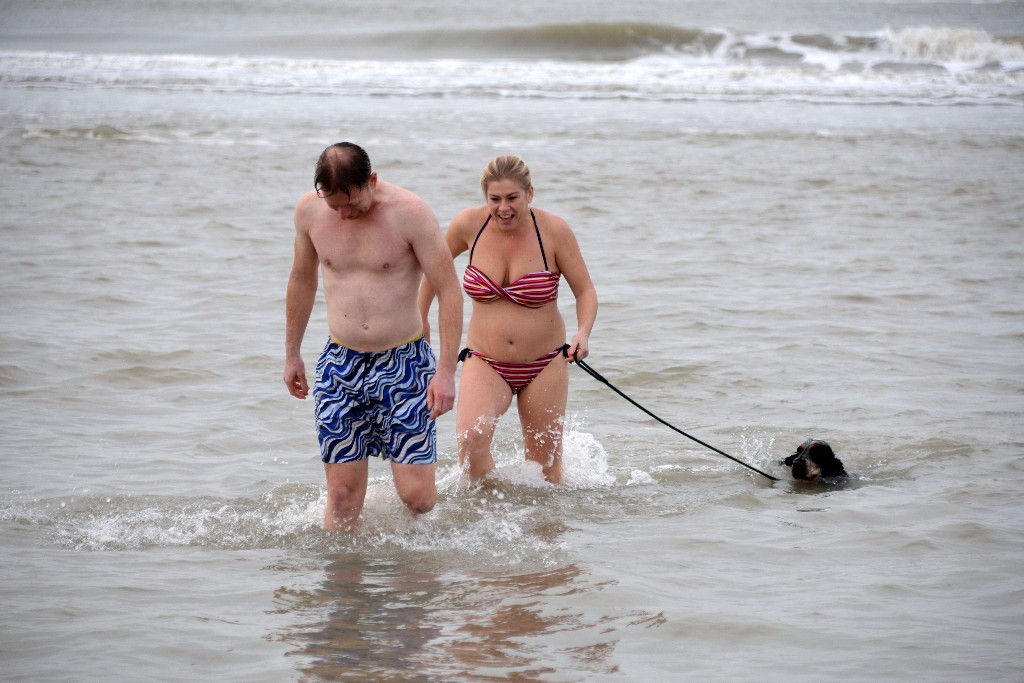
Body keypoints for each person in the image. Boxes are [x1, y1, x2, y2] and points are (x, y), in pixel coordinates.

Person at [284, 142, 463, 531]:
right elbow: (302, 279)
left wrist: (446, 371)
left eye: (352, 203)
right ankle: (345, 586)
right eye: (335, 206)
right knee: (342, 500)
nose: (344, 214)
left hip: (404, 362)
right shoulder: (309, 212)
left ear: (373, 181)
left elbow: (450, 290)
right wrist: (292, 354)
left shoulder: (411, 214)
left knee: (418, 500)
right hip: (340, 364)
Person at [419, 155, 597, 484]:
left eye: (512, 198)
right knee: (471, 441)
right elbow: (433, 271)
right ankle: (493, 518)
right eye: (495, 199)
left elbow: (585, 291)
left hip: (544, 363)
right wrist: (421, 320)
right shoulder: (468, 225)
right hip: (486, 359)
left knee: (545, 473)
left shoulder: (554, 231)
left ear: (530, 194)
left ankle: (542, 528)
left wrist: (583, 333)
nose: (504, 208)